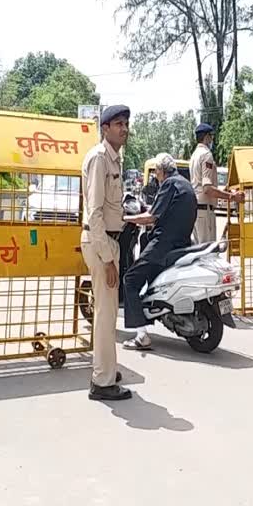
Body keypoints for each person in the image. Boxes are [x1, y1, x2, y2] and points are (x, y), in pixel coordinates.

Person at [81, 104, 132, 401]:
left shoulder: (114, 159)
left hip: (108, 241)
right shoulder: (100, 159)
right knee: (105, 314)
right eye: (118, 124)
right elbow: (95, 213)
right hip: (101, 243)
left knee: (108, 312)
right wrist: (109, 258)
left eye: (126, 124)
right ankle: (101, 381)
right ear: (105, 128)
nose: (124, 129)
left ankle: (107, 369)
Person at [121, 153, 197, 351]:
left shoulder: (169, 184)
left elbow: (151, 217)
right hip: (182, 245)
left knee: (130, 279)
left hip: (163, 244)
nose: (155, 176)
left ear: (161, 171)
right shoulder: (185, 184)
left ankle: (141, 335)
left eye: (156, 172)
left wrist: (125, 219)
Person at [190, 123, 245, 243]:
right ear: (206, 137)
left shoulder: (194, 155)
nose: (212, 140)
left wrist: (223, 191)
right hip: (205, 212)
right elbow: (207, 189)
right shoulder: (206, 155)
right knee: (207, 253)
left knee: (199, 252)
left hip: (196, 210)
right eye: (211, 136)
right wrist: (232, 197)